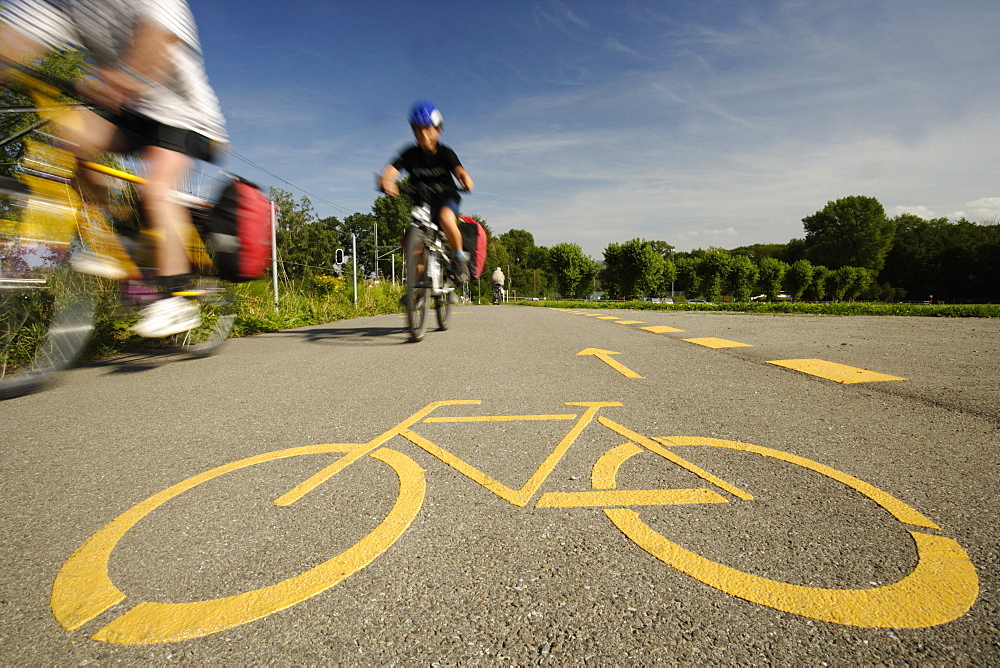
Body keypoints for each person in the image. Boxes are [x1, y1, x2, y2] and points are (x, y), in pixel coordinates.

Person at [0, 0, 228, 337]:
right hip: (132, 111)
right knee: (73, 142)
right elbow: (18, 37)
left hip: (184, 114)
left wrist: (119, 79)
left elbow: (160, 40)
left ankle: (175, 297)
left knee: (155, 190)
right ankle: (125, 232)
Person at [379, 100, 474, 281]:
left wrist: (464, 179)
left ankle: (459, 258)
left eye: (427, 128)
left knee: (445, 218)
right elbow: (392, 170)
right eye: (417, 129)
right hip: (422, 201)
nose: (422, 133)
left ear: (438, 130)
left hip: (446, 198)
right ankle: (417, 288)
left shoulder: (445, 153)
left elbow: (458, 170)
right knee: (411, 242)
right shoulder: (410, 154)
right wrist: (386, 181)